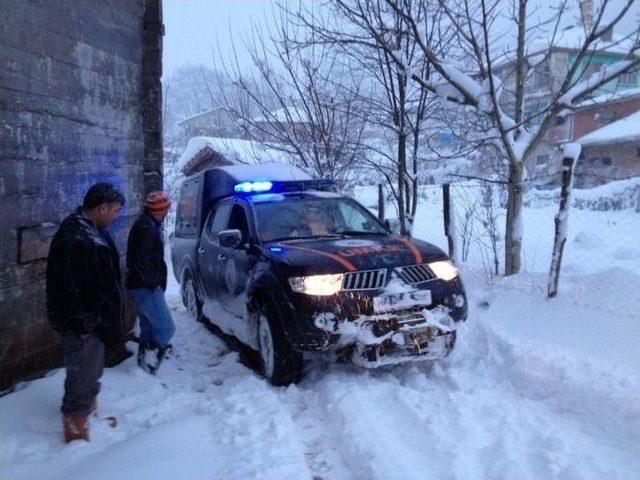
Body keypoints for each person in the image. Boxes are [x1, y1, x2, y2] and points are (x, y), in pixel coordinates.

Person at [46, 182, 125, 443]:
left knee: (91, 371)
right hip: (83, 324)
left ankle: (87, 412)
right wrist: (86, 322)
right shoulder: (78, 237)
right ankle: (76, 429)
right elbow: (68, 286)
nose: (117, 217)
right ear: (102, 208)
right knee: (82, 374)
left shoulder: (90, 230)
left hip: (93, 322)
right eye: (115, 211)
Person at [126, 191, 175, 375]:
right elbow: (141, 261)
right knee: (166, 328)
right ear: (160, 210)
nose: (167, 212)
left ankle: (142, 367)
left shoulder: (146, 224)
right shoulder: (147, 228)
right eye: (166, 209)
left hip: (138, 286)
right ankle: (150, 365)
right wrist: (153, 284)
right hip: (144, 288)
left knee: (148, 327)